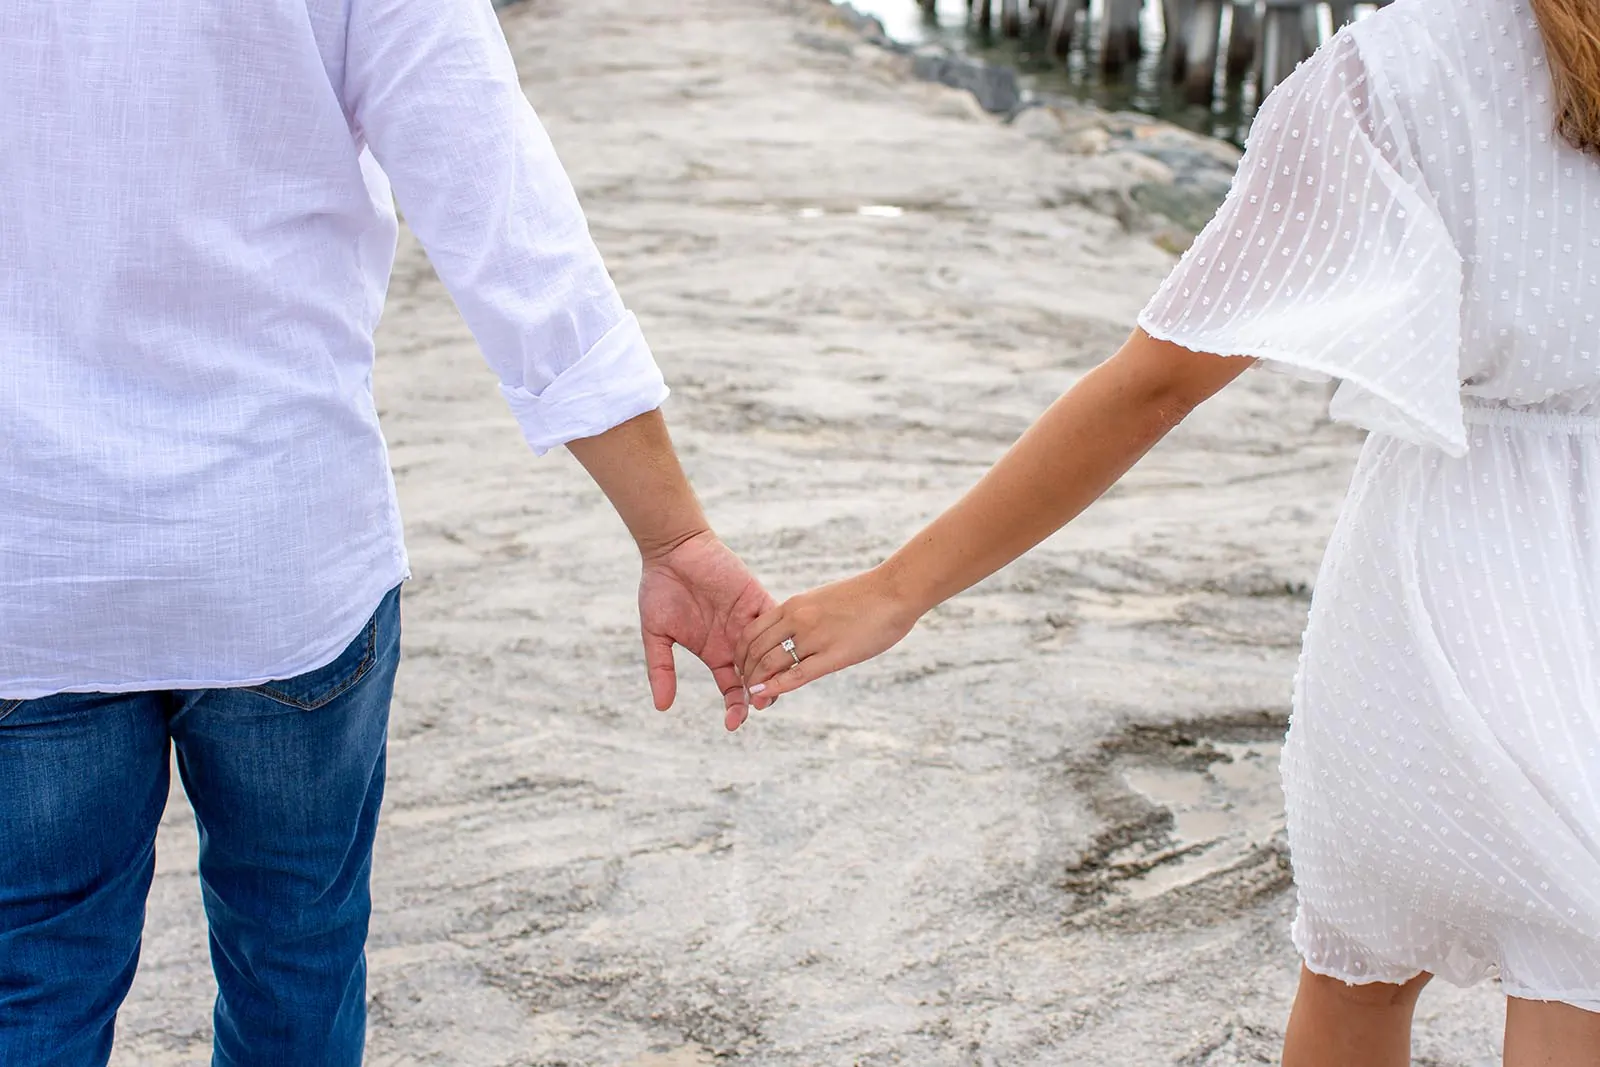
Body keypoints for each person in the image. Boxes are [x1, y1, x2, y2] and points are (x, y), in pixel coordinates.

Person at [737, 0, 1600, 1062]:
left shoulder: (1396, 73)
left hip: (1449, 581)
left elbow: (1156, 383)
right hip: (1512, 563)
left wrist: (897, 587)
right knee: (1573, 967)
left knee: (1364, 974)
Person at [0, 0, 772, 1064]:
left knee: (32, 979)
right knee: (297, 950)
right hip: (282, 543)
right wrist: (671, 535)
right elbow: (505, 215)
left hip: (33, 554)